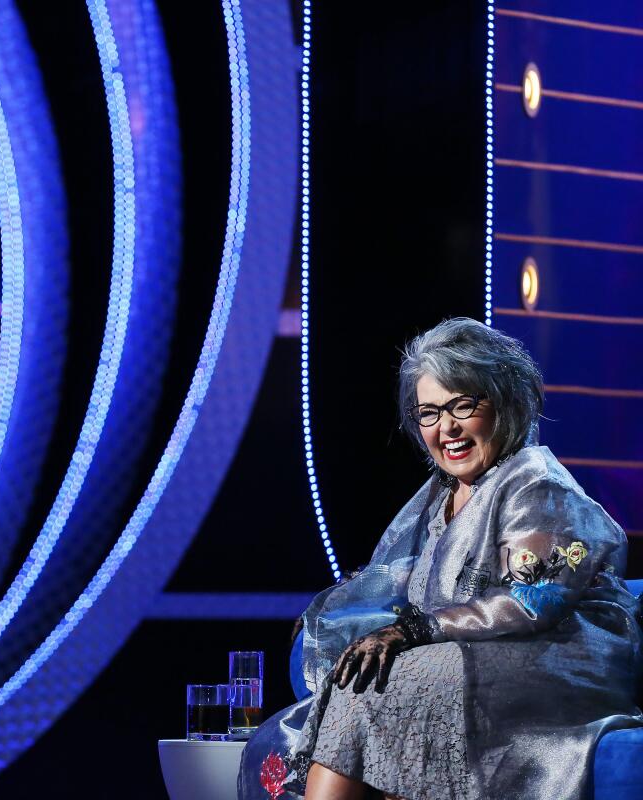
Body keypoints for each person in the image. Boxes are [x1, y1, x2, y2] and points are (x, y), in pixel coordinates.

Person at [238, 318, 642, 800]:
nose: (446, 428)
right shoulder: (443, 494)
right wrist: (334, 613)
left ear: (505, 403)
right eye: (429, 413)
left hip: (559, 657)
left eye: (463, 406)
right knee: (356, 689)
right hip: (475, 652)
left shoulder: (537, 483)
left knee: (378, 685)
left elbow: (532, 599)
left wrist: (412, 632)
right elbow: (406, 579)